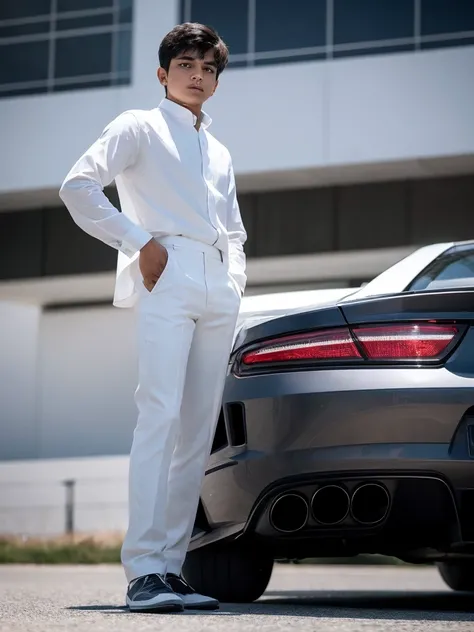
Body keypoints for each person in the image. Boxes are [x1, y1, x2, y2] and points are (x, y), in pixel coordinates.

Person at [59, 22, 247, 613]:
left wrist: (236, 279)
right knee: (159, 418)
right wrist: (139, 242)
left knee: (196, 431)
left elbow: (235, 226)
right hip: (167, 272)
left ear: (216, 82)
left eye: (209, 68)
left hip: (219, 284)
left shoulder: (219, 149)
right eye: (187, 65)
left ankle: (171, 569)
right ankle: (143, 572)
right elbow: (78, 186)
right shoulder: (137, 126)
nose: (199, 75)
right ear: (163, 73)